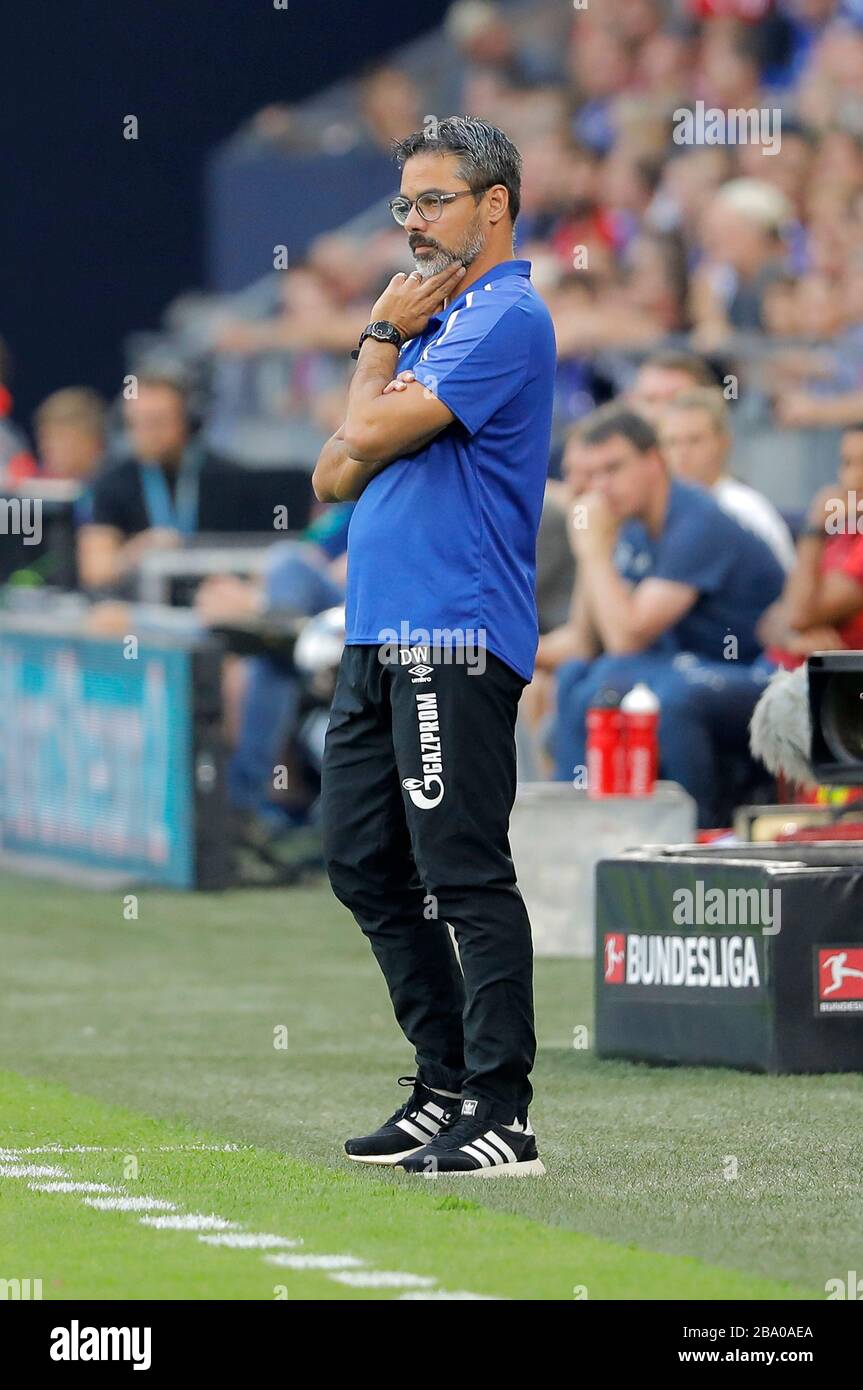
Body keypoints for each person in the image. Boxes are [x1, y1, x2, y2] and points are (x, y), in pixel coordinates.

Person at [313, 116, 555, 1177]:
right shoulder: (434, 319)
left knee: (462, 873)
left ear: (493, 204)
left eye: (432, 202)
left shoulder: (500, 317)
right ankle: (442, 1080)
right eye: (403, 204)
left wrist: (373, 339)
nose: (411, 224)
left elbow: (357, 437)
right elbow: (328, 475)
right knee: (360, 863)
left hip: (448, 632)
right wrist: (381, 371)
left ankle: (501, 1109)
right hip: (377, 631)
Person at [552, 404, 785, 828]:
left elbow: (627, 636)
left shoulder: (696, 520)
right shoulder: (631, 524)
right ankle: (579, 825)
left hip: (756, 673)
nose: (602, 487)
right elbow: (586, 642)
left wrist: (592, 550)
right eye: (593, 474)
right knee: (574, 677)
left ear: (654, 460)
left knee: (672, 695)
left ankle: (698, 835)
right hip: (677, 666)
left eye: (614, 469)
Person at [78, 372, 236, 592]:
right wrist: (135, 553)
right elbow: (96, 571)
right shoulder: (111, 483)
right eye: (136, 424)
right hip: (138, 609)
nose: (146, 434)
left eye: (157, 422)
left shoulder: (227, 478)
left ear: (187, 422)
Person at [758, 423, 863, 664]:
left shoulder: (821, 531)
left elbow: (797, 614)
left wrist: (814, 526)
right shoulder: (842, 533)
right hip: (782, 669)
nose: (856, 476)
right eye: (847, 463)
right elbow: (768, 620)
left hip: (827, 687)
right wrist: (790, 638)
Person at [658, 387, 796, 569]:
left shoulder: (742, 510)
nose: (681, 453)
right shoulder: (659, 509)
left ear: (723, 443)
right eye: (671, 442)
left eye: (694, 440)